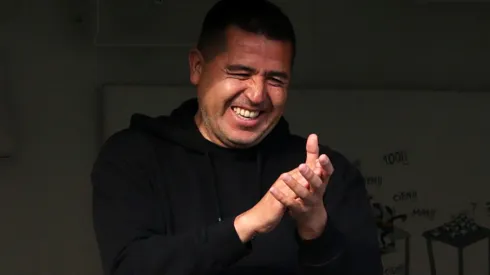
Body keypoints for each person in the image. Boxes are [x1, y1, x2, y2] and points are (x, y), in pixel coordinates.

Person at [90, 0, 383, 274]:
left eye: (275, 79)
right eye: (240, 73)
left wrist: (316, 231)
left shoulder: (322, 178)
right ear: (197, 67)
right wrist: (247, 225)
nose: (257, 95)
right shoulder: (135, 156)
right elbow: (129, 267)